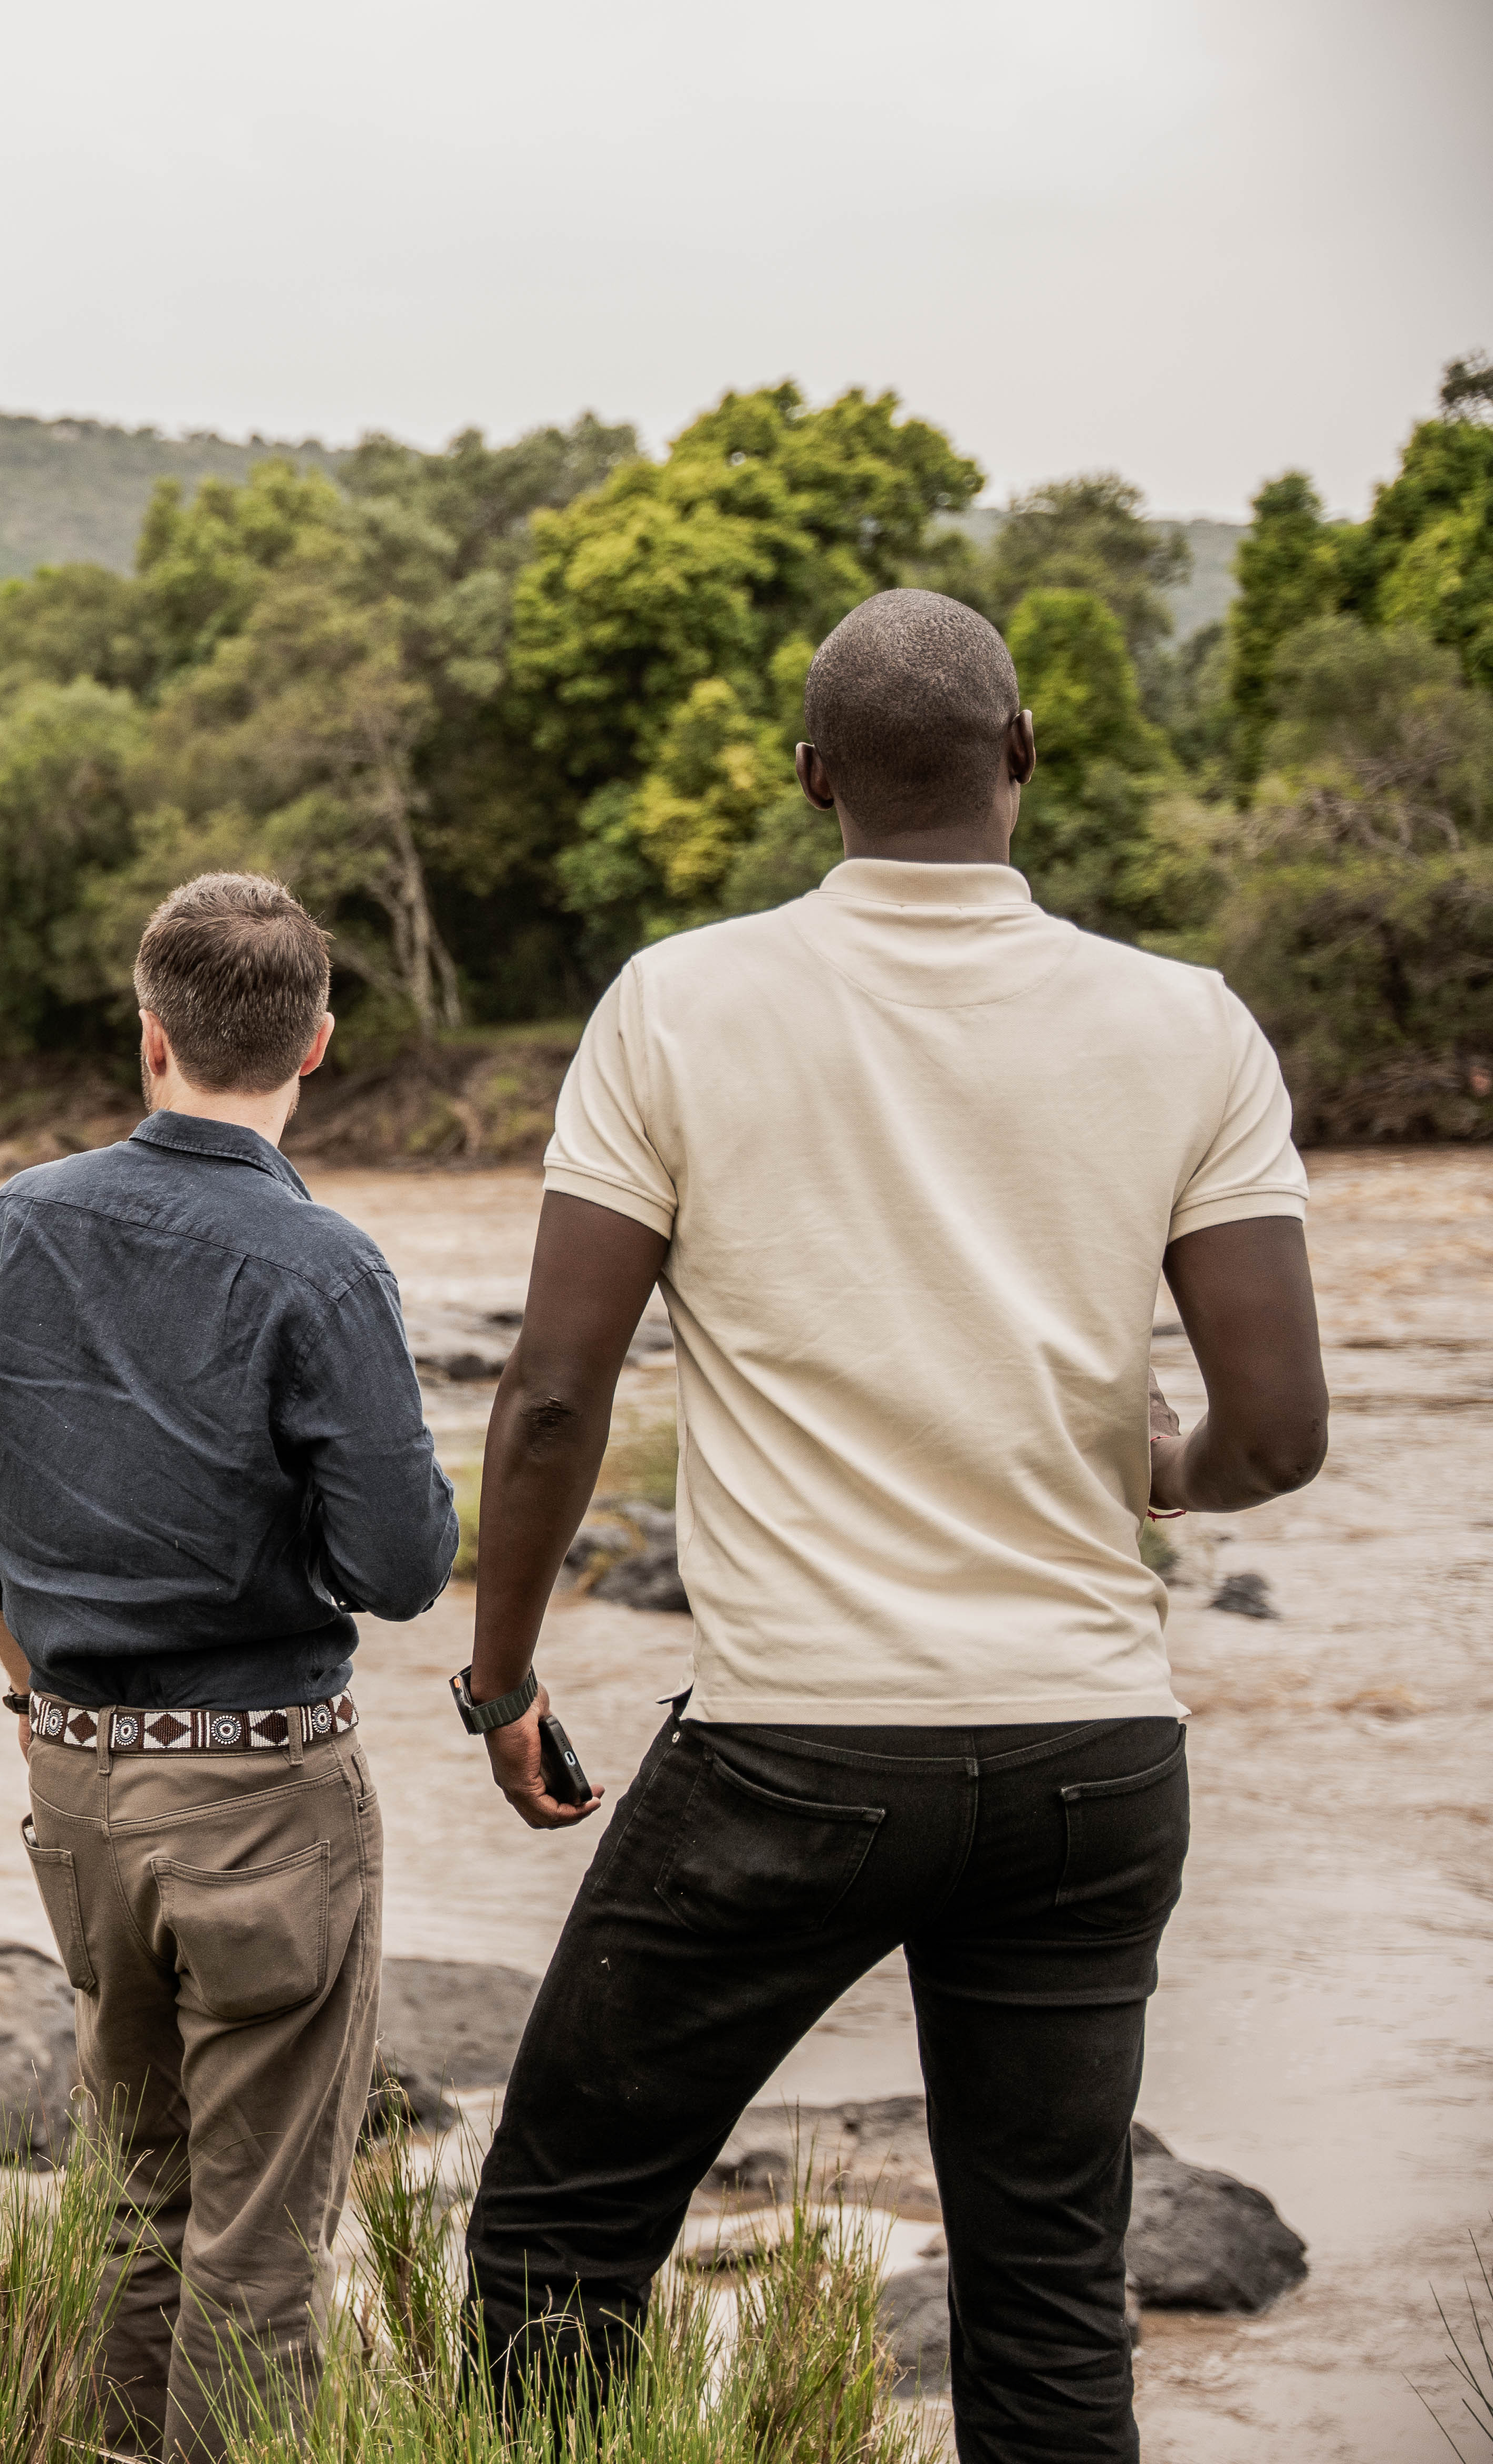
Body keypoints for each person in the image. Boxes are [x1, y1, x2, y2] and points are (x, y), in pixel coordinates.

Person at [457, 589, 1327, 2460]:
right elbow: (1278, 1432)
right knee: (1049, 2303)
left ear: (810, 780)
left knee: (558, 2242)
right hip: (1093, 1754)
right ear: (1024, 754)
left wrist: (501, 1674)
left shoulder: (678, 1002)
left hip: (794, 1754)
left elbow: (553, 1391)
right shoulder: (1189, 1023)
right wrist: (1160, 1472)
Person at [0, 871, 459, 2460]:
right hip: (266, 1800)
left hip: (81, 1789)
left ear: (148, 1035)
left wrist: (42, 1710)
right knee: (261, 2252)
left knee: (138, 2212)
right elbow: (403, 1570)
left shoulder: (16, 1224)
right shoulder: (326, 1267)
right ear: (319, 1045)